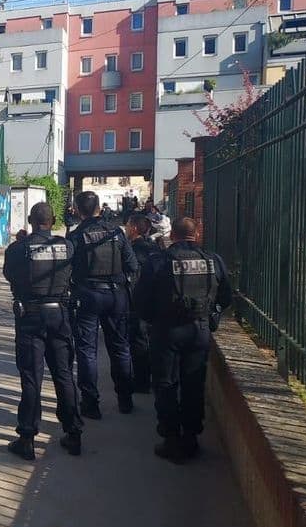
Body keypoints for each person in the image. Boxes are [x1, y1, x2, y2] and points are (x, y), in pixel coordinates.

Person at [134, 217, 232, 463]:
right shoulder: (213, 261)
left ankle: (171, 438)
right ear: (196, 234)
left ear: (172, 236)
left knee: (166, 384)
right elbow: (226, 296)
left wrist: (151, 321)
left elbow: (141, 300)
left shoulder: (159, 261)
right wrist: (211, 314)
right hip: (199, 330)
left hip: (166, 331)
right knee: (194, 382)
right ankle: (191, 437)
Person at [2, 203, 83, 460]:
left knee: (31, 378)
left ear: (30, 220)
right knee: (63, 375)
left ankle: (27, 438)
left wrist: (21, 245)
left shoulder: (18, 249)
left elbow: (10, 276)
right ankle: (74, 432)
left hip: (30, 317)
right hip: (59, 314)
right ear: (54, 220)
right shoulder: (68, 246)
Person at [67, 191, 139, 419]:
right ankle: (125, 399)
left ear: (78, 211)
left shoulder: (76, 236)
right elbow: (133, 265)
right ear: (99, 208)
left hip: (88, 296)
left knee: (87, 351)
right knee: (120, 347)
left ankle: (90, 404)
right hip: (117, 296)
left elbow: (66, 269)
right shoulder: (116, 233)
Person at [125, 214, 160, 393]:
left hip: (137, 300)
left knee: (139, 341)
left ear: (135, 229)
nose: (125, 228)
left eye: (128, 225)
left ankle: (141, 381)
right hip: (156, 301)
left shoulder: (132, 250)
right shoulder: (154, 248)